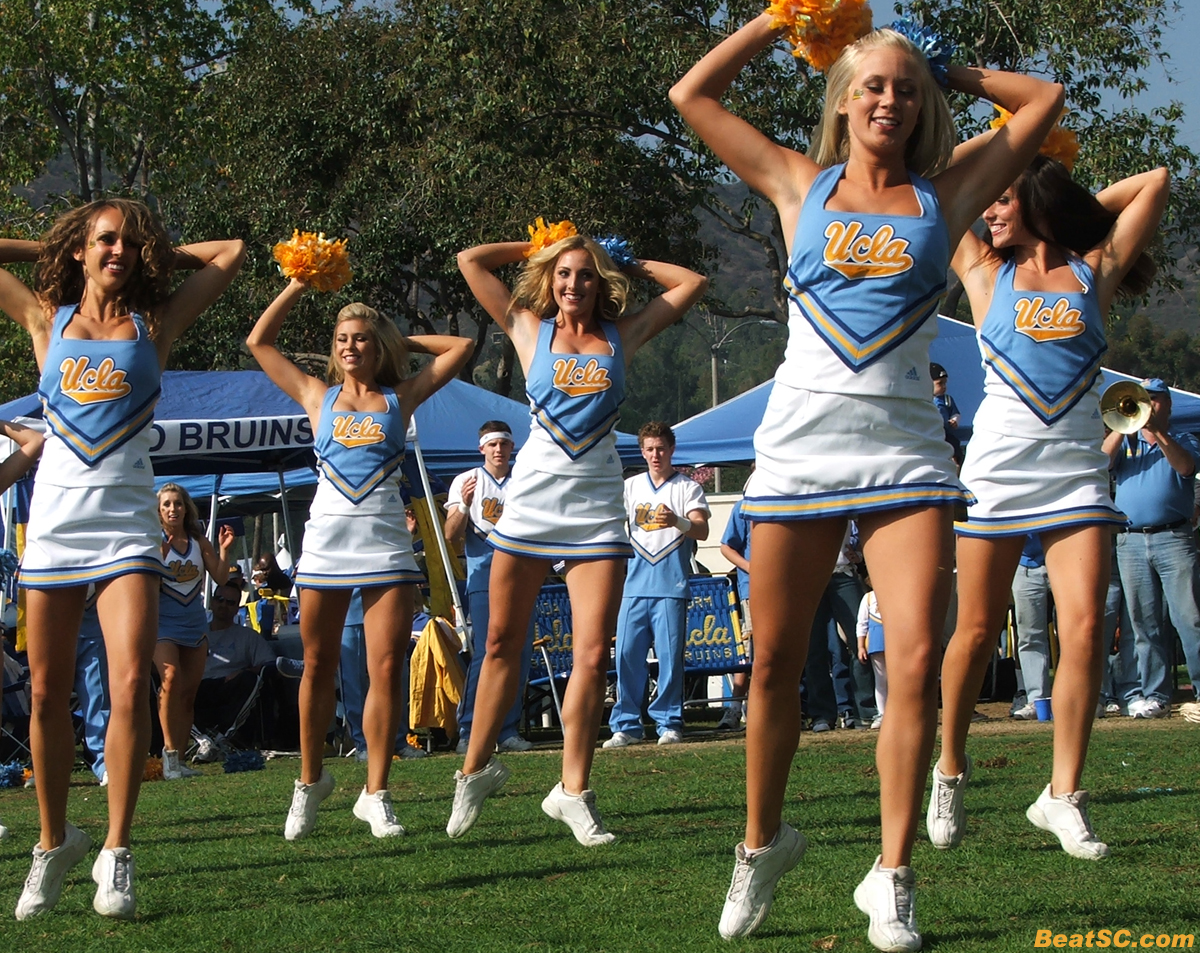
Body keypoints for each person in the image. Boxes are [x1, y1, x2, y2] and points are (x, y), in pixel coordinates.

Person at [672, 14, 1063, 949]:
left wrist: (945, 67)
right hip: (801, 448)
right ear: (843, 100)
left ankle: (891, 873)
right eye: (873, 85)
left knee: (916, 662)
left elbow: (1042, 102)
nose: (890, 100)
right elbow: (691, 97)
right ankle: (761, 842)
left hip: (907, 455)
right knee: (773, 663)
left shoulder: (950, 192)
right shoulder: (795, 181)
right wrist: (783, 19)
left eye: (906, 88)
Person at [1, 199, 244, 919]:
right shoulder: (46, 321)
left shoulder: (155, 323)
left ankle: (117, 851)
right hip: (55, 530)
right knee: (46, 695)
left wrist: (154, 252)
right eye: (106, 240)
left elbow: (230, 251)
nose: (119, 252)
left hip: (127, 534)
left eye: (130, 244)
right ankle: (53, 841)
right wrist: (57, 241)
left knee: (132, 678)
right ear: (80, 248)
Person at [932, 145, 1167, 863]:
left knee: (1089, 628)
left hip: (1073, 470)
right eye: (992, 202)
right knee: (974, 631)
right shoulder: (980, 270)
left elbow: (1154, 181)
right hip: (999, 467)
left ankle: (1062, 793)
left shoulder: (1094, 271)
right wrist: (1008, 165)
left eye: (1005, 201)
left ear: (1034, 203)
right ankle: (949, 768)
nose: (992, 211)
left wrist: (1054, 190)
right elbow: (940, 196)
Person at [450, 228, 707, 844]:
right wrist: (544, 246)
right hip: (533, 499)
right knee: (500, 646)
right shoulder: (526, 326)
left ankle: (573, 791)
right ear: (550, 281)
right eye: (563, 274)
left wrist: (625, 254)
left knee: (594, 654)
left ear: (600, 283)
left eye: (586, 274)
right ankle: (473, 770)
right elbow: (470, 257)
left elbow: (691, 284)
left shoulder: (624, 334)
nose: (573, 284)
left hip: (595, 506)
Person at [247, 277, 472, 840]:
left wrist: (399, 341)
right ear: (333, 347)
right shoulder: (315, 394)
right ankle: (309, 781)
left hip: (386, 545)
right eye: (343, 339)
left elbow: (461, 347)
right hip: (324, 541)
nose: (351, 347)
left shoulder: (402, 396)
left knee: (385, 668)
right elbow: (259, 341)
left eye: (363, 340)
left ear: (377, 347)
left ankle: (376, 791)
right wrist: (299, 282)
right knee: (318, 665)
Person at [605, 421, 710, 747]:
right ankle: (626, 725)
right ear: (642, 451)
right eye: (649, 449)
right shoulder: (630, 486)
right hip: (633, 587)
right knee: (626, 656)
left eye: (661, 448)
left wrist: (676, 521)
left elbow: (701, 529)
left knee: (669, 659)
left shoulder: (687, 488)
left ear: (671, 450)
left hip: (670, 586)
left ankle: (669, 723)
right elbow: (611, 525)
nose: (655, 455)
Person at [1105, 378, 1200, 716]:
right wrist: (1122, 425)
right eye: (1142, 400)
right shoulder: (1126, 445)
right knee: (1144, 624)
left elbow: (1186, 466)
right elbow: (1101, 463)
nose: (1148, 406)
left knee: (1189, 618)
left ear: (1169, 405)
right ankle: (1155, 694)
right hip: (1130, 540)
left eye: (1155, 400)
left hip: (1173, 539)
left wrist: (1156, 433)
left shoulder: (1185, 439)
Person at [445, 420, 536, 755]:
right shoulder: (467, 481)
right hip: (484, 577)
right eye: (492, 444)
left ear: (512, 448)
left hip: (522, 576)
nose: (499, 450)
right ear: (482, 447)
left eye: (504, 444)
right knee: (487, 653)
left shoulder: (524, 481)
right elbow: (450, 534)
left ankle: (507, 728)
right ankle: (470, 727)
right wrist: (466, 505)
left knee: (520, 653)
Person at [154, 482, 235, 779]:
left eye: (177, 503)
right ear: (159, 511)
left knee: (188, 693)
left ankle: (178, 760)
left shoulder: (198, 541)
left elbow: (221, 576)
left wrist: (225, 550)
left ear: (186, 507)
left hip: (194, 623)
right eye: (166, 505)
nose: (173, 509)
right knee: (170, 679)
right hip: (163, 623)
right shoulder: (156, 541)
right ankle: (169, 754)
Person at [195, 580, 302, 748]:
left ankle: (223, 737)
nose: (223, 605)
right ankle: (199, 739)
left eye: (230, 602)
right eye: (220, 599)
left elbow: (270, 664)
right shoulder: (196, 633)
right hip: (198, 686)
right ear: (212, 602)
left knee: (250, 679)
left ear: (237, 608)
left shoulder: (247, 636)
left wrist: (244, 672)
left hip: (230, 685)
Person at [718, 497, 753, 729]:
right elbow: (726, 546)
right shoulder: (744, 508)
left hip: (787, 587)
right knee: (751, 649)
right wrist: (751, 567)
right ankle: (735, 707)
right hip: (753, 589)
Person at [1009, 535, 1051, 720]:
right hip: (1024, 563)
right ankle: (1036, 699)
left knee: (1074, 633)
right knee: (1028, 636)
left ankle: (1074, 700)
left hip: (1064, 556)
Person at [856, 584, 887, 718]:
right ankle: (882, 713)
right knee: (881, 679)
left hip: (895, 640)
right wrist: (861, 646)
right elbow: (861, 623)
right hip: (877, 641)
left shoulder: (897, 594)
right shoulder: (868, 598)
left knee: (896, 679)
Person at [930, 362, 963, 464]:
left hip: (946, 433)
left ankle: (957, 465)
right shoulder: (924, 399)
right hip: (930, 434)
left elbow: (955, 413)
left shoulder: (947, 399)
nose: (944, 386)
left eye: (945, 383)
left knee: (954, 446)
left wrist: (954, 420)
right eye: (940, 383)